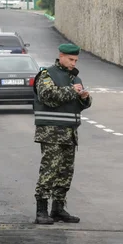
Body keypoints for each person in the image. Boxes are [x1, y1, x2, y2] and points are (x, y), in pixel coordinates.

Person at [32, 43, 92, 224]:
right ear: (61, 56)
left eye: (76, 60)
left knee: (65, 173)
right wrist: (72, 91)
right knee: (49, 171)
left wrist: (84, 98)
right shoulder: (47, 75)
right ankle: (41, 211)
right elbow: (47, 96)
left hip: (69, 133)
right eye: (71, 59)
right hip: (51, 132)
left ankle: (58, 208)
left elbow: (81, 104)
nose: (74, 63)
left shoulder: (75, 78)